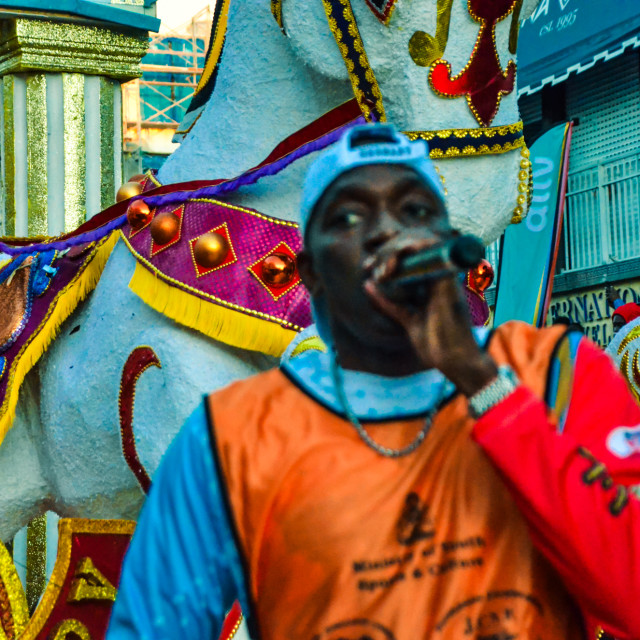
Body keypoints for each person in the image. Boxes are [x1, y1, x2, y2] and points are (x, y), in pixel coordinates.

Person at [107, 124, 640, 640]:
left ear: (447, 244)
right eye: (348, 217)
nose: (386, 231)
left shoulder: (556, 372)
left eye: (415, 211)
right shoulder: (230, 437)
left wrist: (480, 382)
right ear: (310, 273)